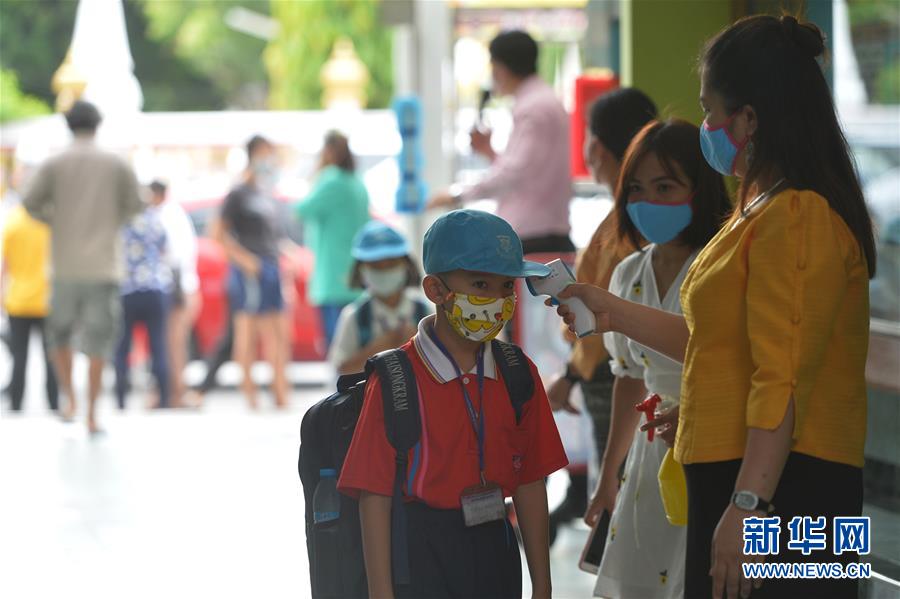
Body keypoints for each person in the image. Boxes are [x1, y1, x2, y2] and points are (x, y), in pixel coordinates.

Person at [553, 15, 876, 599]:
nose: (705, 126)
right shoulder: (760, 212)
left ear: (749, 119)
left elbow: (781, 376)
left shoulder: (797, 218)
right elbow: (719, 344)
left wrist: (747, 507)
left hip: (789, 499)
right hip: (750, 482)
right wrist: (609, 311)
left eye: (710, 111)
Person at [338, 209, 569, 599]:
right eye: (480, 284)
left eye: (505, 288)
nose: (496, 301)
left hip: (496, 543)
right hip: (420, 551)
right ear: (435, 290)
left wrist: (542, 586)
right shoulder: (397, 379)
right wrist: (381, 593)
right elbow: (373, 495)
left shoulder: (517, 373)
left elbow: (530, 480)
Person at [585, 119, 731, 598]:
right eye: (637, 189)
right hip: (650, 455)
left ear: (700, 187)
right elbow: (629, 379)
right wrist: (610, 475)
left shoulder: (721, 264)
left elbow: (730, 361)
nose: (649, 202)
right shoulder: (628, 273)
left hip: (717, 441)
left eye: (665, 186)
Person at [544, 88, 658, 541]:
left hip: (625, 380)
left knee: (623, 504)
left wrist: (575, 371)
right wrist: (572, 374)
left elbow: (603, 322)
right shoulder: (624, 223)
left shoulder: (624, 230)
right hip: (616, 376)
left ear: (595, 147)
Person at [24, 100, 144, 434]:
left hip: (64, 264)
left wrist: (55, 220)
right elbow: (137, 203)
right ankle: (92, 411)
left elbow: (29, 200)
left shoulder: (54, 162)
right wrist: (112, 219)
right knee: (99, 339)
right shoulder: (115, 162)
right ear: (97, 124)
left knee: (58, 334)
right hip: (104, 264)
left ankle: (69, 399)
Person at [429, 30, 573, 254]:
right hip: (543, 231)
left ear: (500, 68)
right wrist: (489, 153)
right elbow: (529, 171)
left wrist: (457, 194)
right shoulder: (542, 101)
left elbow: (515, 174)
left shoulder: (534, 108)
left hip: (535, 236)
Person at [217, 135, 291, 410]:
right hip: (249, 272)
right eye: (264, 154)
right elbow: (219, 234)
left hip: (272, 268)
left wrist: (288, 254)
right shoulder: (238, 194)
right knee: (248, 334)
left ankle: (280, 390)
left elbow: (275, 237)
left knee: (279, 333)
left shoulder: (267, 193)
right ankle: (250, 394)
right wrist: (243, 259)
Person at [295, 131, 370, 349]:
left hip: (333, 280)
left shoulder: (331, 180)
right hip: (355, 279)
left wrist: (317, 173)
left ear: (328, 152)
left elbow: (301, 209)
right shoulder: (357, 182)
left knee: (338, 349)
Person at [328, 221, 430, 375]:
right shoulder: (354, 316)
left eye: (391, 263)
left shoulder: (425, 311)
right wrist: (379, 348)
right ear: (360, 269)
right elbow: (341, 368)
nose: (384, 270)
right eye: (375, 265)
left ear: (407, 265)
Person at [114, 200, 172, 410]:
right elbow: (165, 249)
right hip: (154, 288)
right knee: (158, 345)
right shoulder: (154, 220)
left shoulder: (120, 222)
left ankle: (120, 400)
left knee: (122, 348)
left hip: (127, 289)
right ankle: (164, 399)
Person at [1, 204, 58, 412]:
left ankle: (16, 404)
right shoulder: (49, 223)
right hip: (46, 300)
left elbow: (4, 265)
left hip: (17, 300)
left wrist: (2, 296)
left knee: (19, 356)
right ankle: (54, 403)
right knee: (51, 356)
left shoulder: (13, 222)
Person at [150, 180, 201, 407]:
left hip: (177, 288)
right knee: (174, 343)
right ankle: (172, 392)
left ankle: (175, 393)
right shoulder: (173, 214)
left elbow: (174, 257)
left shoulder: (166, 216)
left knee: (174, 343)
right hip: (182, 286)